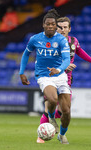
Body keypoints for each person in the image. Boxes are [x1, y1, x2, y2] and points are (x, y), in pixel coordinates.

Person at [36, 16, 91, 143]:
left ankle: (60, 134)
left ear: (69, 28)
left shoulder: (73, 41)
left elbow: (79, 51)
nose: (62, 30)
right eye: (60, 27)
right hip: (50, 78)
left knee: (64, 111)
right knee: (48, 106)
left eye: (65, 27)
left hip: (65, 81)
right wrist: (63, 67)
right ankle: (41, 136)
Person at [19, 9, 71, 144]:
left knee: (66, 111)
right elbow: (26, 54)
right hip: (43, 75)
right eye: (47, 24)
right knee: (52, 100)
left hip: (60, 76)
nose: (50, 26)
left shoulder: (61, 40)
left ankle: (62, 135)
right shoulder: (35, 39)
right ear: (43, 25)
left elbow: (66, 60)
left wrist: (58, 69)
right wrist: (21, 72)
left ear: (56, 26)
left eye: (53, 24)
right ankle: (52, 118)